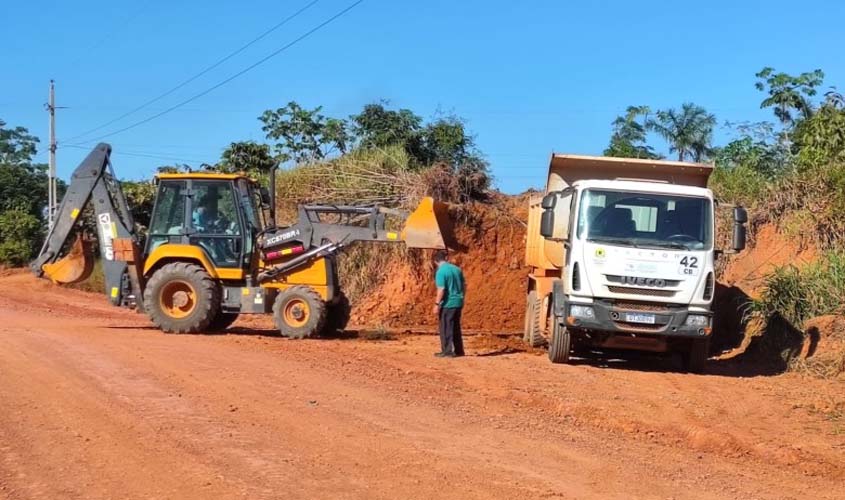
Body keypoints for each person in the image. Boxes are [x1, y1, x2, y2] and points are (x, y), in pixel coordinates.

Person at [432, 250, 465, 358]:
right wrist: (462, 298)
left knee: (446, 327)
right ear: (445, 258)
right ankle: (459, 350)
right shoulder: (457, 269)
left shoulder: (441, 272)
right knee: (456, 326)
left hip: (448, 304)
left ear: (436, 261)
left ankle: (447, 351)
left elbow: (441, 289)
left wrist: (437, 305)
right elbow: (464, 286)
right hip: (458, 302)